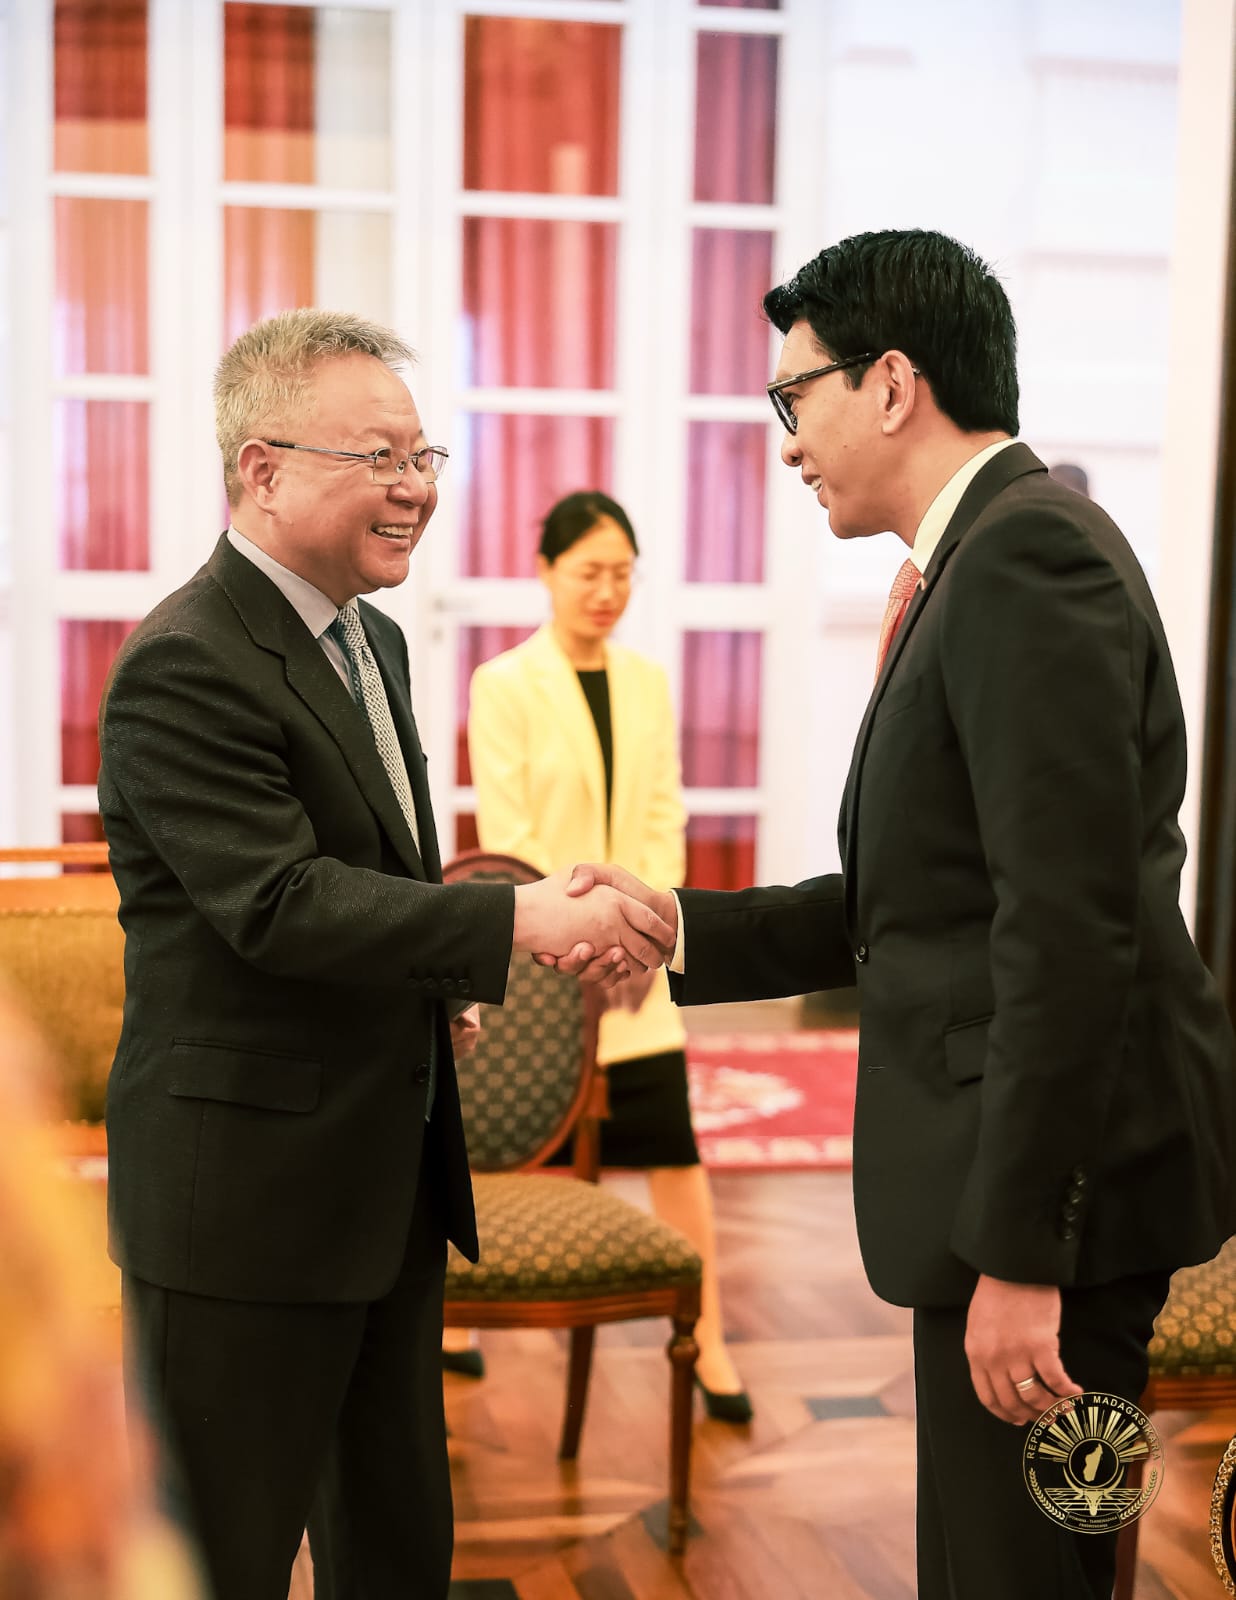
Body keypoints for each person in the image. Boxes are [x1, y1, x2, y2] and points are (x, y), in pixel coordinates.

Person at [556, 229, 1236, 1600]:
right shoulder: (979, 556)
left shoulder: (1026, 559)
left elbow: (1068, 933)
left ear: (891, 384)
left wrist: (1023, 1260)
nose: (787, 444)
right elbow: (915, 908)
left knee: (1025, 1577)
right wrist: (682, 922)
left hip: (1057, 1224)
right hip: (1022, 1203)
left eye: (792, 396)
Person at [96, 308, 673, 1600]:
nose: (416, 488)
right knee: (221, 1564)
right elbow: (282, 902)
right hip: (243, 1213)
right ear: (262, 470)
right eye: (380, 458)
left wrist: (435, 991)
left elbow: (379, 874)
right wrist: (514, 922)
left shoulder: (376, 638)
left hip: (385, 1183)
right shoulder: (185, 662)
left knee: (397, 1553)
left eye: (424, 457)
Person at [462, 490, 749, 1420]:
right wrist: (584, 934)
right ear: (546, 571)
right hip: (545, 961)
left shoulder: (646, 681)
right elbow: (510, 831)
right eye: (589, 572)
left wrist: (643, 927)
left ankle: (709, 1337)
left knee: (673, 1145)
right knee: (509, 1142)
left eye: (622, 574)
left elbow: (665, 816)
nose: (606, 591)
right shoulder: (504, 683)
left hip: (635, 962)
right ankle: (454, 1318)